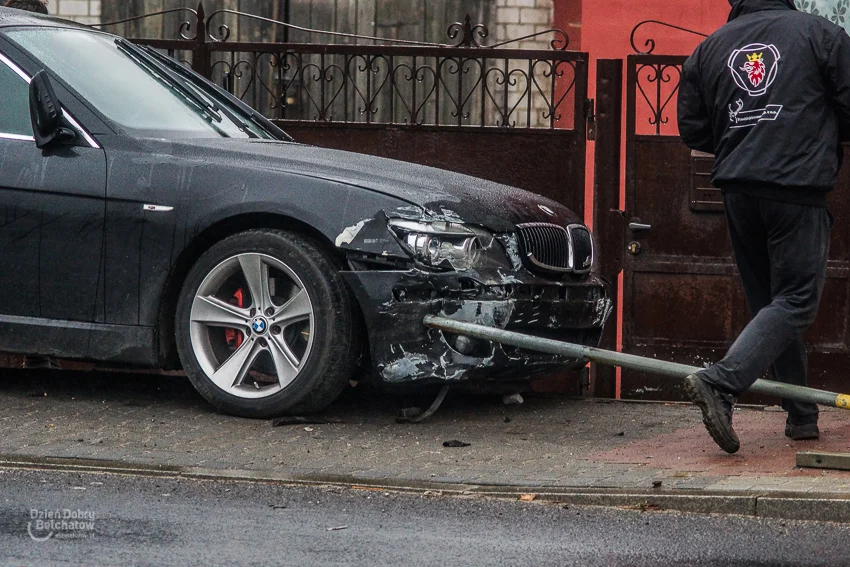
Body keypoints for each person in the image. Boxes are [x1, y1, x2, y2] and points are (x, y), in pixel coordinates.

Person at [677, 0, 850, 454]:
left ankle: (801, 416)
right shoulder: (821, 35)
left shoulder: (709, 48)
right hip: (795, 185)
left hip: (738, 189)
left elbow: (693, 130)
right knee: (794, 301)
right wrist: (819, 134)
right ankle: (722, 383)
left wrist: (747, 139)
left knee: (772, 306)